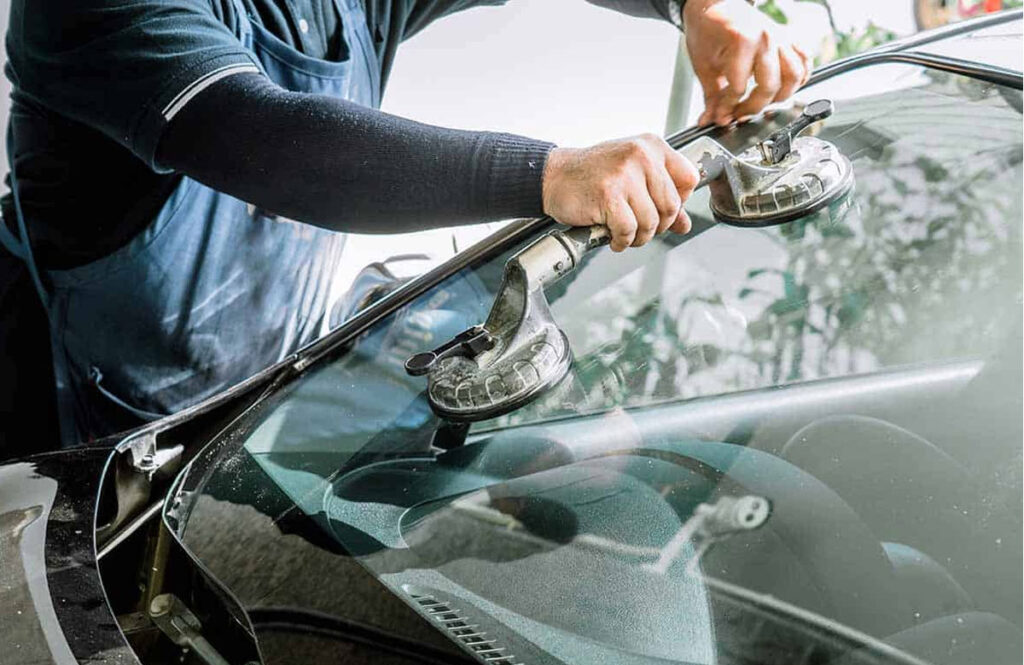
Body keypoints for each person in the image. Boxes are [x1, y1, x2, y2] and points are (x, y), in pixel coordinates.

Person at [0, 0, 809, 449]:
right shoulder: (84, 11)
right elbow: (272, 144)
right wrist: (552, 173)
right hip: (77, 417)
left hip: (264, 367)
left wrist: (699, 5)